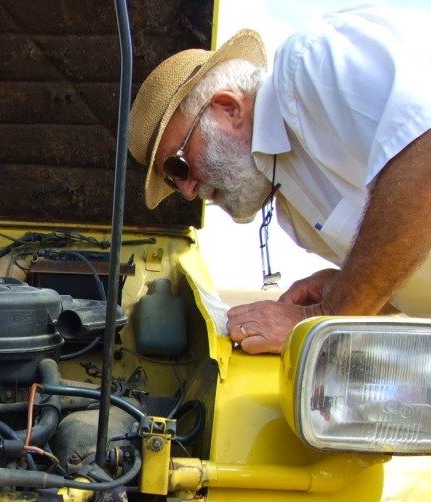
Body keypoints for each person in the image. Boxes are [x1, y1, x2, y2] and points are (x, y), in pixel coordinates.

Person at [127, 4, 431, 354]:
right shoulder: (291, 209)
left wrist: (329, 313)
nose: (190, 191)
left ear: (229, 107)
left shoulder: (309, 63)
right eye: (173, 181)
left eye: (179, 166)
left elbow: (422, 151)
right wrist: (343, 287)